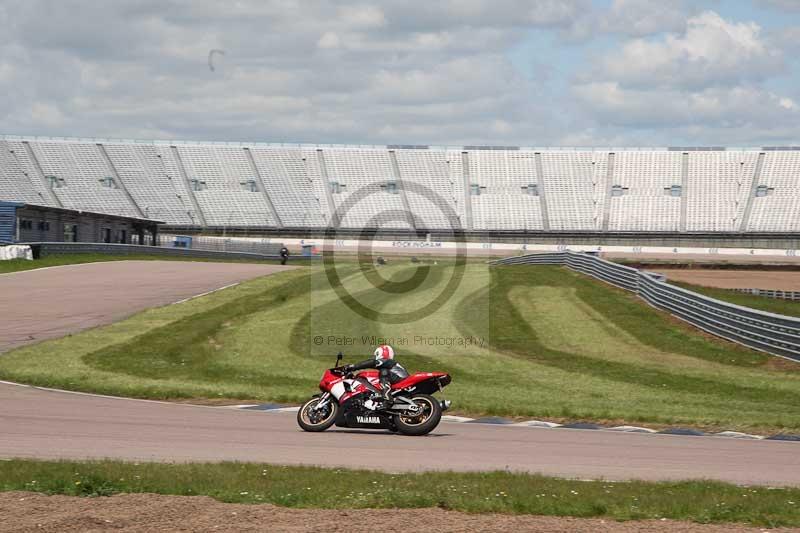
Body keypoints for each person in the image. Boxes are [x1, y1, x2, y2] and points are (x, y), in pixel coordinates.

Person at [343, 345, 408, 405]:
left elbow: (372, 363)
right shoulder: (390, 364)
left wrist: (353, 367)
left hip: (402, 380)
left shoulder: (388, 361)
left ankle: (387, 397)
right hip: (401, 382)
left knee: (383, 372)